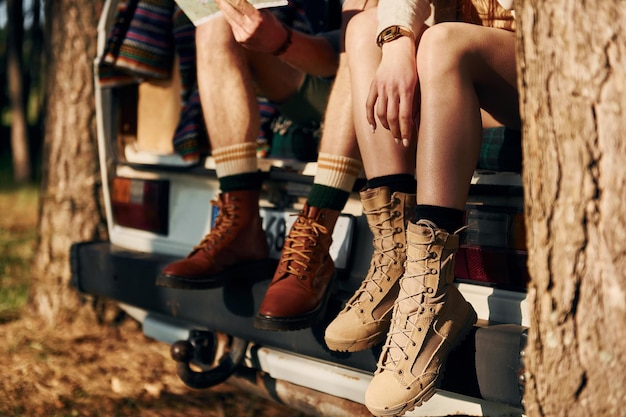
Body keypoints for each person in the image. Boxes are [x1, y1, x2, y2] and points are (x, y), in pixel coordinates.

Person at [323, 0, 520, 415]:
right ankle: (397, 255)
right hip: (460, 78)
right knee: (365, 30)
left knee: (442, 42)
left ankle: (430, 290)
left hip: (540, 65)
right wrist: (397, 40)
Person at [156, 0, 376, 332]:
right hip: (325, 70)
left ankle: (314, 229)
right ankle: (240, 223)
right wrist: (275, 37)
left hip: (383, 72)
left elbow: (354, 49)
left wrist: (281, 40)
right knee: (216, 24)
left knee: (364, 32)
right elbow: (326, 58)